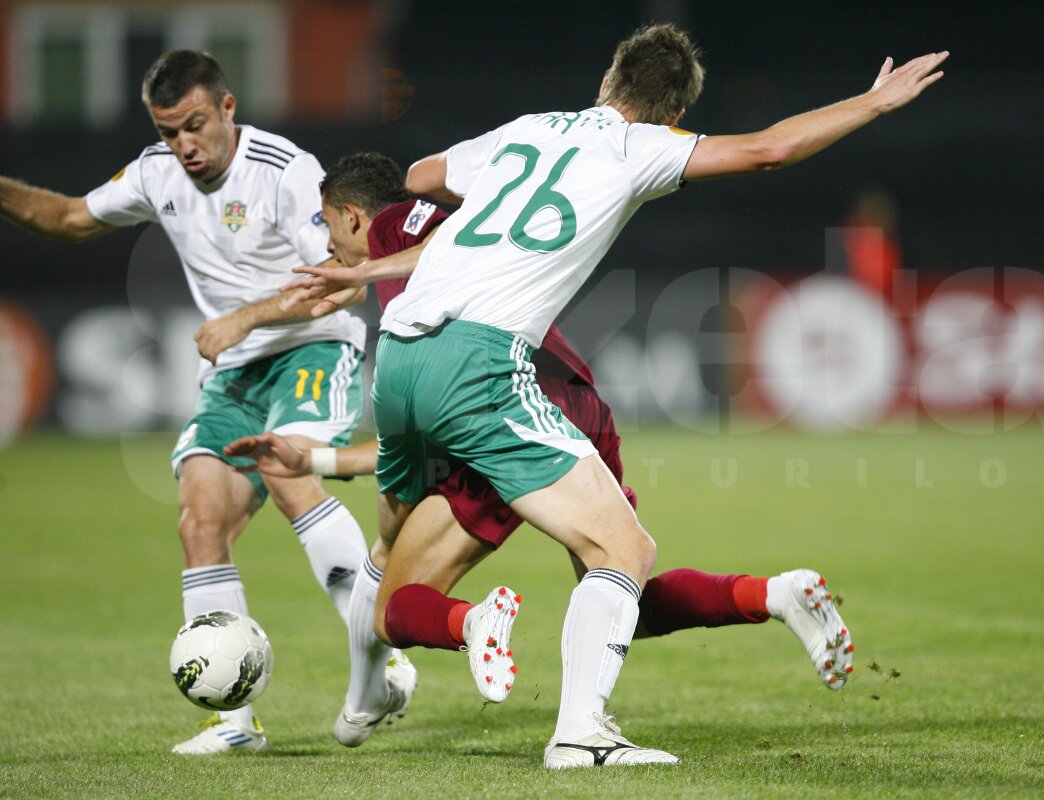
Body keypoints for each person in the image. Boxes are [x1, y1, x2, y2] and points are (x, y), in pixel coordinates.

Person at [293, 24, 946, 768]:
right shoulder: (641, 147)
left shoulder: (528, 130)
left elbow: (419, 175)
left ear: (607, 80)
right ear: (673, 115)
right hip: (481, 363)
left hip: (401, 359)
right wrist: (872, 102)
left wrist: (481, 201)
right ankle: (580, 736)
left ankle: (381, 689)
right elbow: (771, 147)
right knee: (622, 552)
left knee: (416, 577)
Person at [228, 151, 852, 749]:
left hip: (497, 404)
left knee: (390, 607)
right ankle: (773, 594)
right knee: (622, 593)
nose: (326, 246)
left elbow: (430, 246)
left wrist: (314, 297)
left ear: (352, 216)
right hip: (573, 403)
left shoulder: (397, 225)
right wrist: (315, 460)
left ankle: (472, 634)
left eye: (327, 226)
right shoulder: (438, 281)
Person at [0, 50, 415, 755]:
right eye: (168, 132)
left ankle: (380, 657)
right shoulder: (154, 174)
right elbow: (69, 217)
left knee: (288, 473)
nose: (184, 144)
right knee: (199, 520)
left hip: (313, 349)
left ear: (227, 107)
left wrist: (247, 317)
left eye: (195, 124)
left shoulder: (284, 172)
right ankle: (235, 723)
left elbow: (345, 276)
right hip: (234, 371)